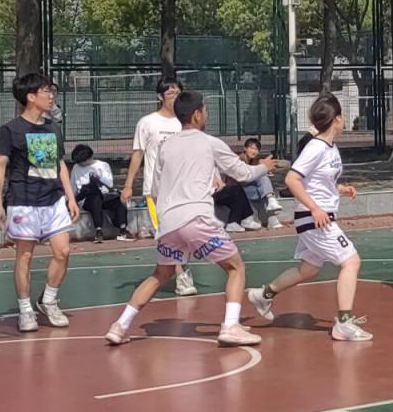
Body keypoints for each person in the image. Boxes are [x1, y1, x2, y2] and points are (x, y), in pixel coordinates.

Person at [105, 91, 276, 347]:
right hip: (196, 218)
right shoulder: (209, 143)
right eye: (205, 110)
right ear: (196, 115)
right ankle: (230, 326)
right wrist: (265, 167)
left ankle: (120, 325)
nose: (207, 114)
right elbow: (243, 172)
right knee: (235, 267)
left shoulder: (166, 146)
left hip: (168, 222)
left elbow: (156, 187)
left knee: (160, 274)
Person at [247, 94, 372, 341]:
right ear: (338, 119)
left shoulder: (329, 147)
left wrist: (339, 189)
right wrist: (315, 208)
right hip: (315, 219)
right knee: (351, 261)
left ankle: (263, 295)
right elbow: (292, 179)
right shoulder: (316, 147)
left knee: (309, 269)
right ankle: (344, 323)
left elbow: (316, 182)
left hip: (316, 216)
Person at [0, 73, 80, 333]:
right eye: (46, 91)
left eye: (52, 91)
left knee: (63, 252)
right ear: (31, 97)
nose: (51, 96)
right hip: (24, 201)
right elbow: (0, 167)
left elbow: (59, 164)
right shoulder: (11, 130)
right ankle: (25, 309)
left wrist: (70, 196)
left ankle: (48, 300)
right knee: (25, 256)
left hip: (54, 199)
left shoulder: (53, 128)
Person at [121, 78, 198, 296]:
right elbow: (138, 154)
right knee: (167, 234)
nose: (175, 97)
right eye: (170, 93)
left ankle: (177, 267)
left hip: (183, 188)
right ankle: (181, 275)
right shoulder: (147, 123)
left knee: (185, 234)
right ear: (160, 97)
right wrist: (128, 185)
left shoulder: (186, 122)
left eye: (178, 93)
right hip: (156, 191)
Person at [70, 143, 136, 243]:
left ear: (89, 158)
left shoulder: (103, 165)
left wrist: (98, 178)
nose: (80, 164)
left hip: (104, 195)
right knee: (95, 198)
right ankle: (98, 231)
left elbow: (109, 184)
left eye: (82, 162)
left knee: (118, 201)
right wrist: (72, 200)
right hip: (87, 197)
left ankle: (123, 230)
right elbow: (73, 187)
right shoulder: (76, 167)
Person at [239, 137, 284, 229]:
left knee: (263, 185)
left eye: (256, 149)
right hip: (239, 188)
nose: (254, 151)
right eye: (251, 148)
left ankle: (271, 204)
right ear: (245, 148)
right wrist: (260, 168)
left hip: (251, 188)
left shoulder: (255, 161)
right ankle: (272, 214)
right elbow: (243, 178)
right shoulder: (239, 161)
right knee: (262, 177)